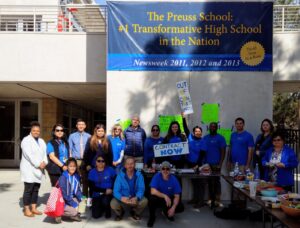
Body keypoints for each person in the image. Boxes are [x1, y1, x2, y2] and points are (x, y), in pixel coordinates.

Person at [20, 121, 48, 217]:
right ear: (31, 131)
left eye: (38, 131)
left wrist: (44, 162)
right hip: (29, 169)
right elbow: (28, 155)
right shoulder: (26, 140)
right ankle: (26, 209)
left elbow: (45, 153)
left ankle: (34, 208)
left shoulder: (41, 141)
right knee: (28, 189)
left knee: (36, 189)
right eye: (34, 130)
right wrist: (38, 164)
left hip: (39, 168)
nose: (36, 132)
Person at [147, 161, 184, 227]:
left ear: (170, 170)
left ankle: (166, 212)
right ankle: (152, 217)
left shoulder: (174, 179)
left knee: (180, 207)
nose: (165, 170)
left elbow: (177, 196)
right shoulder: (157, 176)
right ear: (161, 170)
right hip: (160, 198)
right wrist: (164, 196)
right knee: (152, 199)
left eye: (167, 169)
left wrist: (173, 208)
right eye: (163, 169)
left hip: (169, 199)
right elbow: (152, 191)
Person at [110, 156, 148, 221]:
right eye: (128, 164)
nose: (130, 166)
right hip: (123, 199)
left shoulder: (139, 175)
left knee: (144, 201)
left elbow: (141, 189)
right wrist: (121, 198)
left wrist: (137, 197)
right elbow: (115, 191)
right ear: (125, 165)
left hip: (134, 199)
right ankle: (120, 213)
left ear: (135, 164)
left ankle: (135, 212)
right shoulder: (120, 175)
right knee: (113, 204)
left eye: (132, 163)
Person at [182, 115, 206, 208]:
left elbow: (202, 154)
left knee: (200, 183)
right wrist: (183, 118)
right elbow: (185, 128)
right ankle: (195, 199)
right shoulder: (190, 137)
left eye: (199, 131)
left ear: (201, 132)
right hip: (190, 164)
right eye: (196, 131)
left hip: (198, 165)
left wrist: (197, 165)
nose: (198, 133)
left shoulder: (203, 141)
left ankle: (201, 201)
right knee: (194, 182)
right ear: (193, 132)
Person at [202, 122, 226, 207]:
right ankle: (210, 199)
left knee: (216, 182)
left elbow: (223, 151)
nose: (212, 128)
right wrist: (203, 163)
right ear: (209, 128)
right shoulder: (205, 138)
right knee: (208, 182)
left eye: (214, 127)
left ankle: (217, 200)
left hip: (216, 164)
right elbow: (203, 151)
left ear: (217, 128)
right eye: (211, 126)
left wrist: (220, 163)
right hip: (207, 164)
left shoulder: (221, 138)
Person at [68, 119, 91, 196]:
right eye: (79, 124)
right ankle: (75, 194)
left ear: (85, 126)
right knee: (75, 178)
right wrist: (71, 161)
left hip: (85, 160)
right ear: (76, 126)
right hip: (76, 160)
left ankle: (84, 196)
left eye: (82, 124)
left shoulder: (89, 136)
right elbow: (70, 149)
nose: (81, 126)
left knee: (85, 179)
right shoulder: (72, 136)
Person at [56, 158, 82, 223]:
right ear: (67, 167)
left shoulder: (76, 176)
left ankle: (72, 212)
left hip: (70, 198)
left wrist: (81, 198)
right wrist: (73, 204)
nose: (72, 168)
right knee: (75, 211)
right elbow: (65, 195)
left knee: (81, 206)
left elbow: (78, 190)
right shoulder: (63, 177)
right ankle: (58, 213)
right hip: (62, 200)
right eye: (70, 166)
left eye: (74, 166)